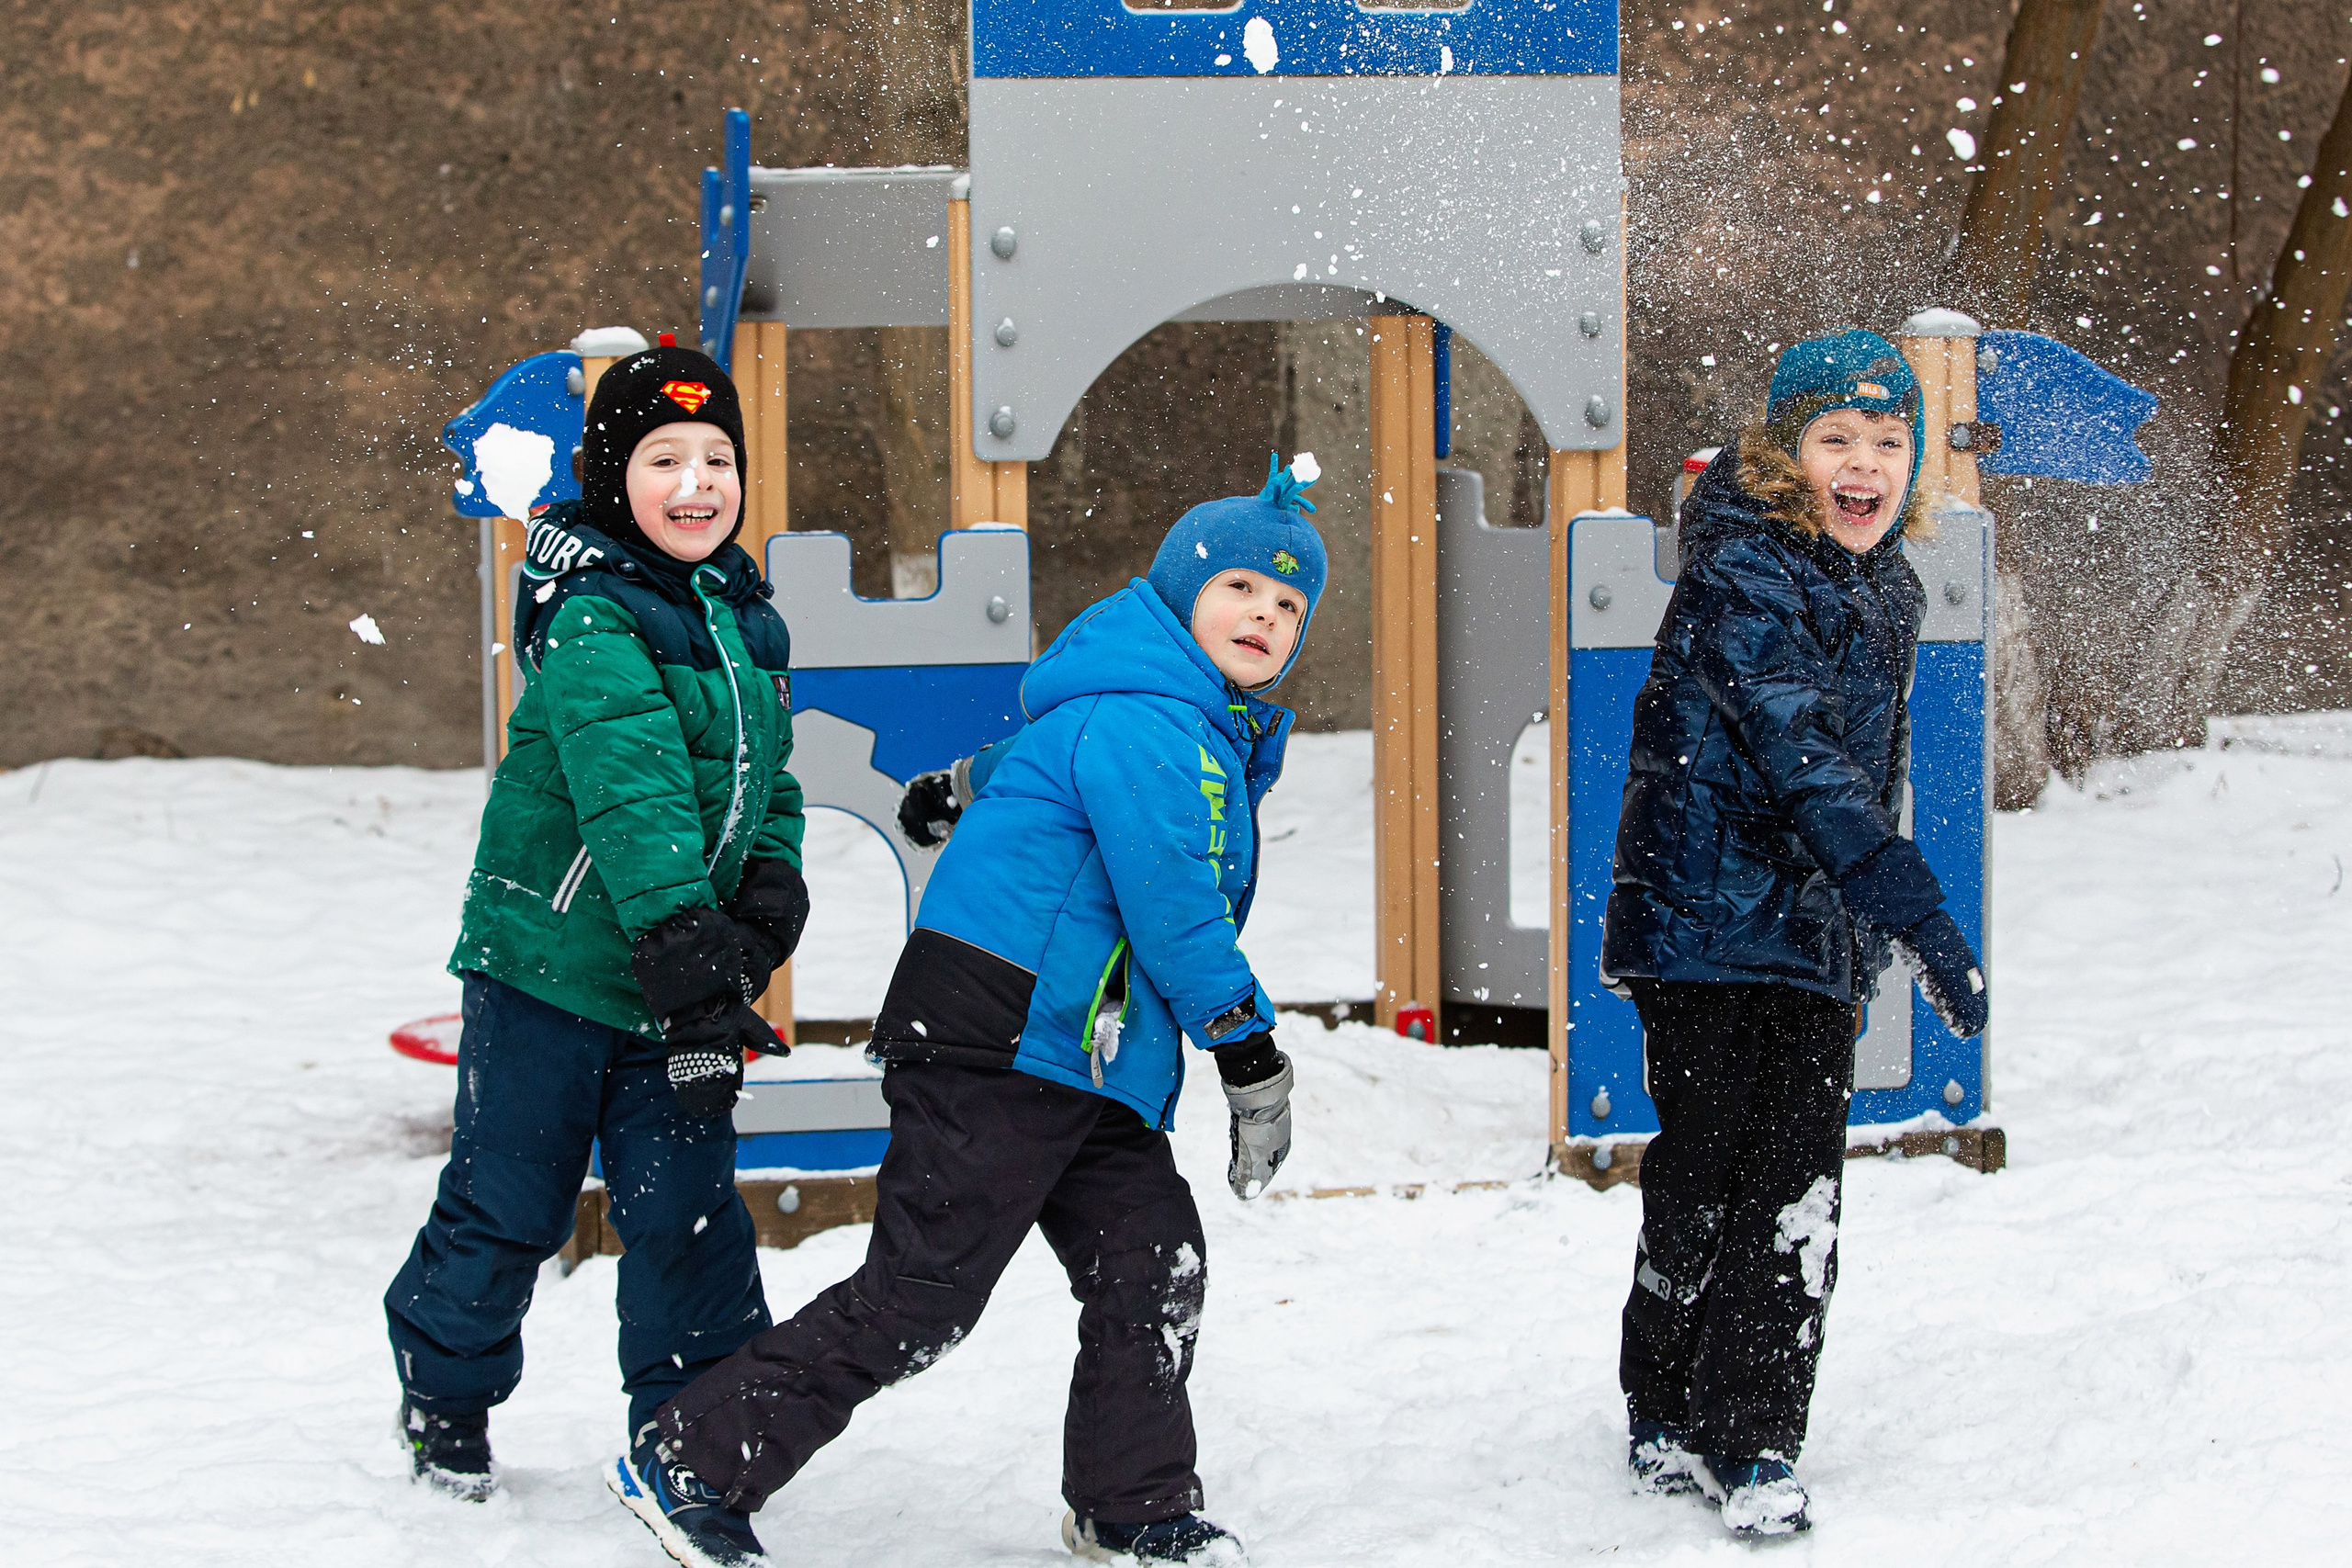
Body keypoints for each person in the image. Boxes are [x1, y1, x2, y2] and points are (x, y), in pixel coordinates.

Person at [607, 455, 1326, 1568]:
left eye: (1287, 605)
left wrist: (958, 785)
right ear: (1179, 596)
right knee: (922, 1295)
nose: (1263, 615)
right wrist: (1247, 1050)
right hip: (1003, 1035)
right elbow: (1172, 903)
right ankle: (692, 1456)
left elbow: (1029, 756)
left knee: (1150, 1265)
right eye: (1238, 588)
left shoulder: (1155, 711)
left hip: (1088, 1051)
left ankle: (1130, 1504)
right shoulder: (1151, 720)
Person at [385, 342, 807, 1504]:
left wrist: (770, 884)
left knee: (686, 1215)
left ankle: (696, 1437)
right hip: (551, 970)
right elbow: (633, 794)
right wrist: (690, 949)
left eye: (716, 458)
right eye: (664, 459)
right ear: (614, 477)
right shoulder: (590, 612)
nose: (696, 483)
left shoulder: (744, 616)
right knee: (509, 1207)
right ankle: (445, 1396)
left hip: (676, 973)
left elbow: (764, 774)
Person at [1600, 331, 1988, 1537]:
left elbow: (1873, 774)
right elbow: (1801, 754)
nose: (1863, 464)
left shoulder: (1890, 589)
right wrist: (1912, 907)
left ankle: (1755, 1433)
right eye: (1835, 439)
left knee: (1798, 1186)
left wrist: (1862, 926)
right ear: (1785, 456)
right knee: (1706, 1173)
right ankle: (1664, 1398)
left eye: (1888, 442)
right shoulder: (1744, 573)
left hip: (1812, 932)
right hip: (1702, 923)